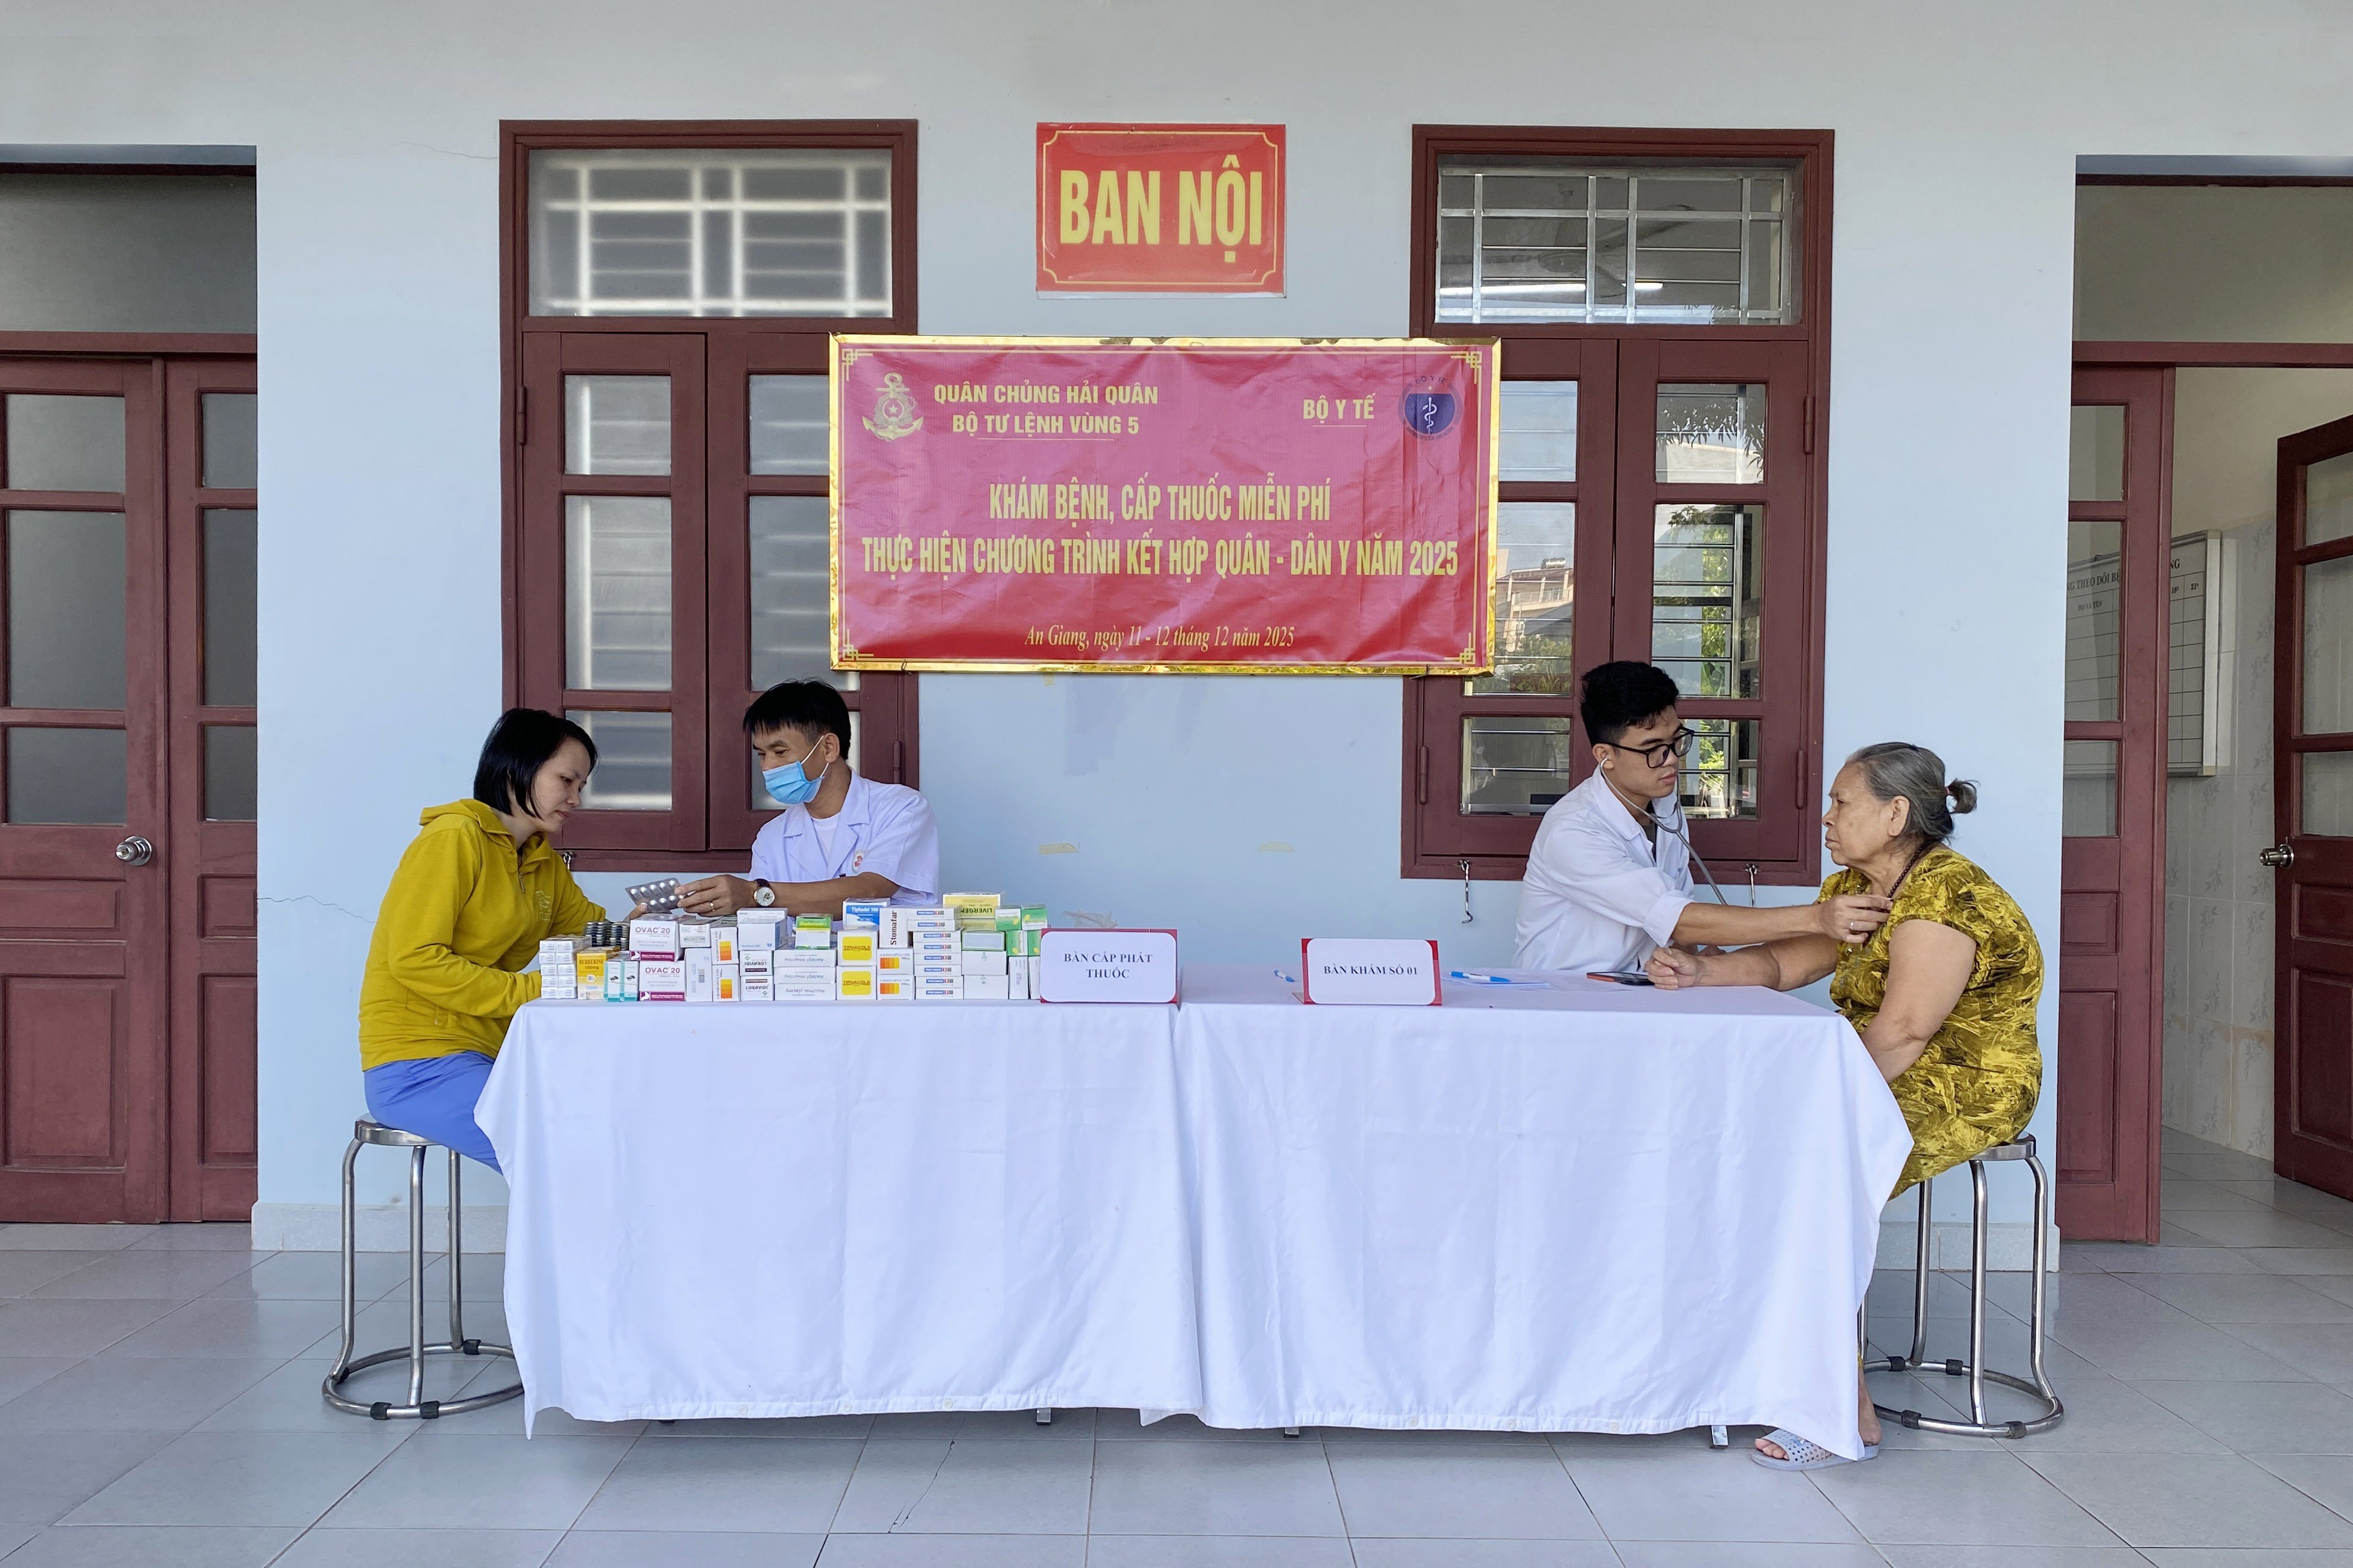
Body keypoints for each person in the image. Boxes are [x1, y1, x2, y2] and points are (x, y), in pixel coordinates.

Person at [1645, 742, 2044, 1471]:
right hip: (1886, 1066)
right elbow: (1785, 962)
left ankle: (1841, 1412)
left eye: (1841, 802)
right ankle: (1766, 1370)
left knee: (1811, 1177)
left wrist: (1814, 1106)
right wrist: (1698, 971)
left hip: (1966, 1081)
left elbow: (1905, 1030)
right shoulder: (1857, 886)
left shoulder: (1945, 895)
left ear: (1895, 815)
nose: (1826, 818)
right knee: (1756, 1151)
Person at [1514, 662, 1893, 975]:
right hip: (1567, 997)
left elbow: (1676, 916)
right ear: (1605, 755)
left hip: (1637, 989)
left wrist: (1695, 959)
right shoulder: (1574, 831)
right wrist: (1817, 919)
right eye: (1653, 749)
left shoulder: (1662, 802)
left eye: (1676, 740)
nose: (1672, 760)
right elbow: (1678, 919)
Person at [356, 709, 608, 1171]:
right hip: (416, 1065)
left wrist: (659, 927)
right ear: (517, 769)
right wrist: (536, 988)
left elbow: (595, 933)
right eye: (566, 780)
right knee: (557, 1152)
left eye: (581, 786)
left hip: (489, 1055)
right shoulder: (453, 838)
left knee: (601, 1122)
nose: (575, 798)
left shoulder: (539, 861)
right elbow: (415, 959)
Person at [667, 680, 940, 918]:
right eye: (762, 754)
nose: (767, 767)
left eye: (780, 752)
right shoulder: (772, 837)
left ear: (828, 748)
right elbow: (761, 922)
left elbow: (870, 890)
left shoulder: (901, 808)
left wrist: (756, 894)